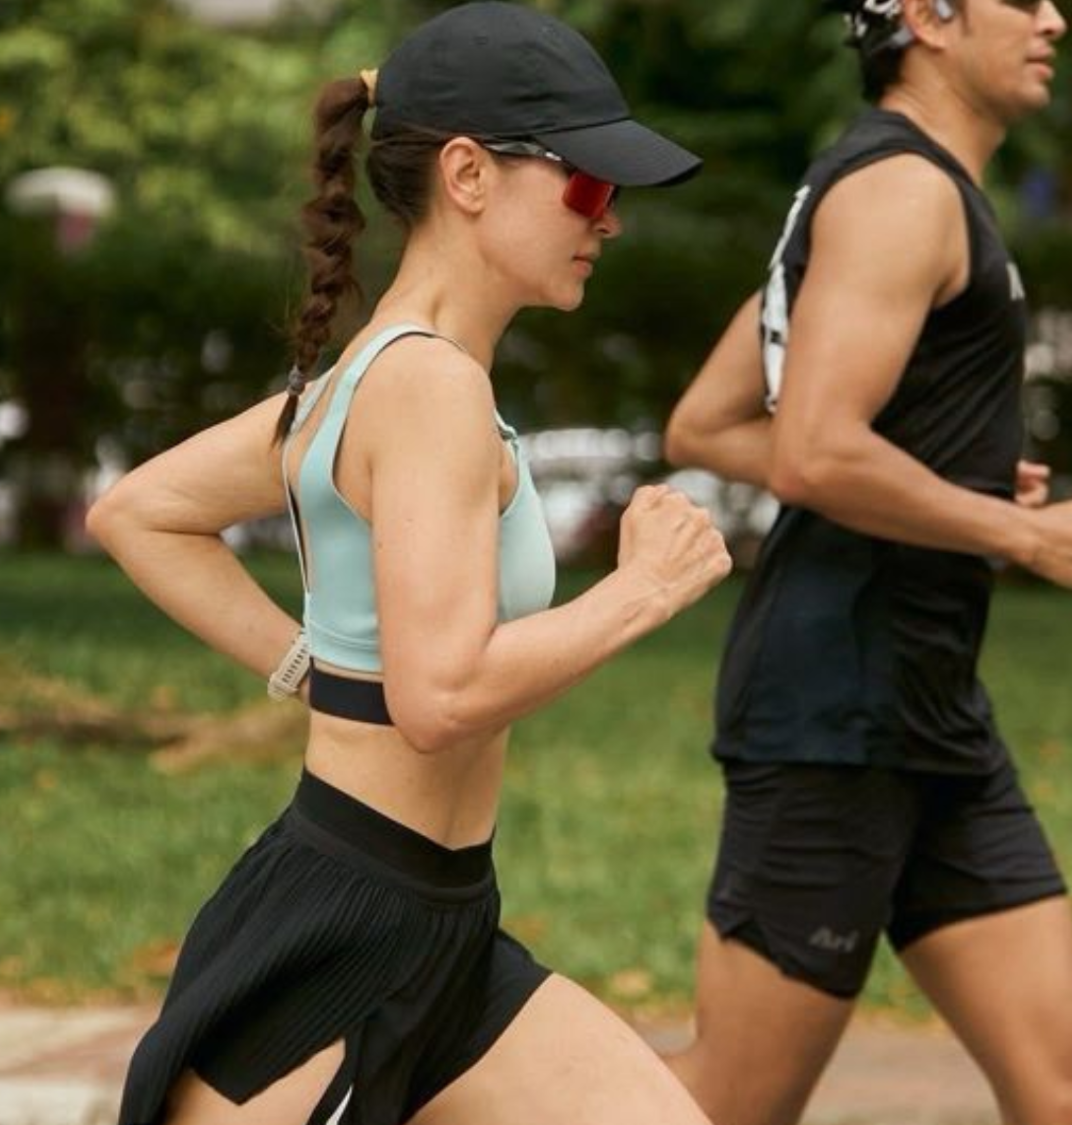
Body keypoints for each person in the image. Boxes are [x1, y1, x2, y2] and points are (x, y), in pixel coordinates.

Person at [87, 5, 731, 1124]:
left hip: (443, 923)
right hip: (348, 939)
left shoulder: (364, 378)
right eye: (585, 184)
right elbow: (438, 698)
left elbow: (143, 513)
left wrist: (308, 666)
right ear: (468, 174)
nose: (609, 220)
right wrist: (643, 591)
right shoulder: (427, 385)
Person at [658, 3, 1072, 1125]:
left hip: (927, 706)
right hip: (835, 709)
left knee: (1069, 1092)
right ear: (929, 17)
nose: (1052, 19)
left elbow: (705, 424)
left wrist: (955, 483)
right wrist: (1028, 533)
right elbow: (814, 450)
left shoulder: (896, 185)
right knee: (725, 1105)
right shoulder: (899, 194)